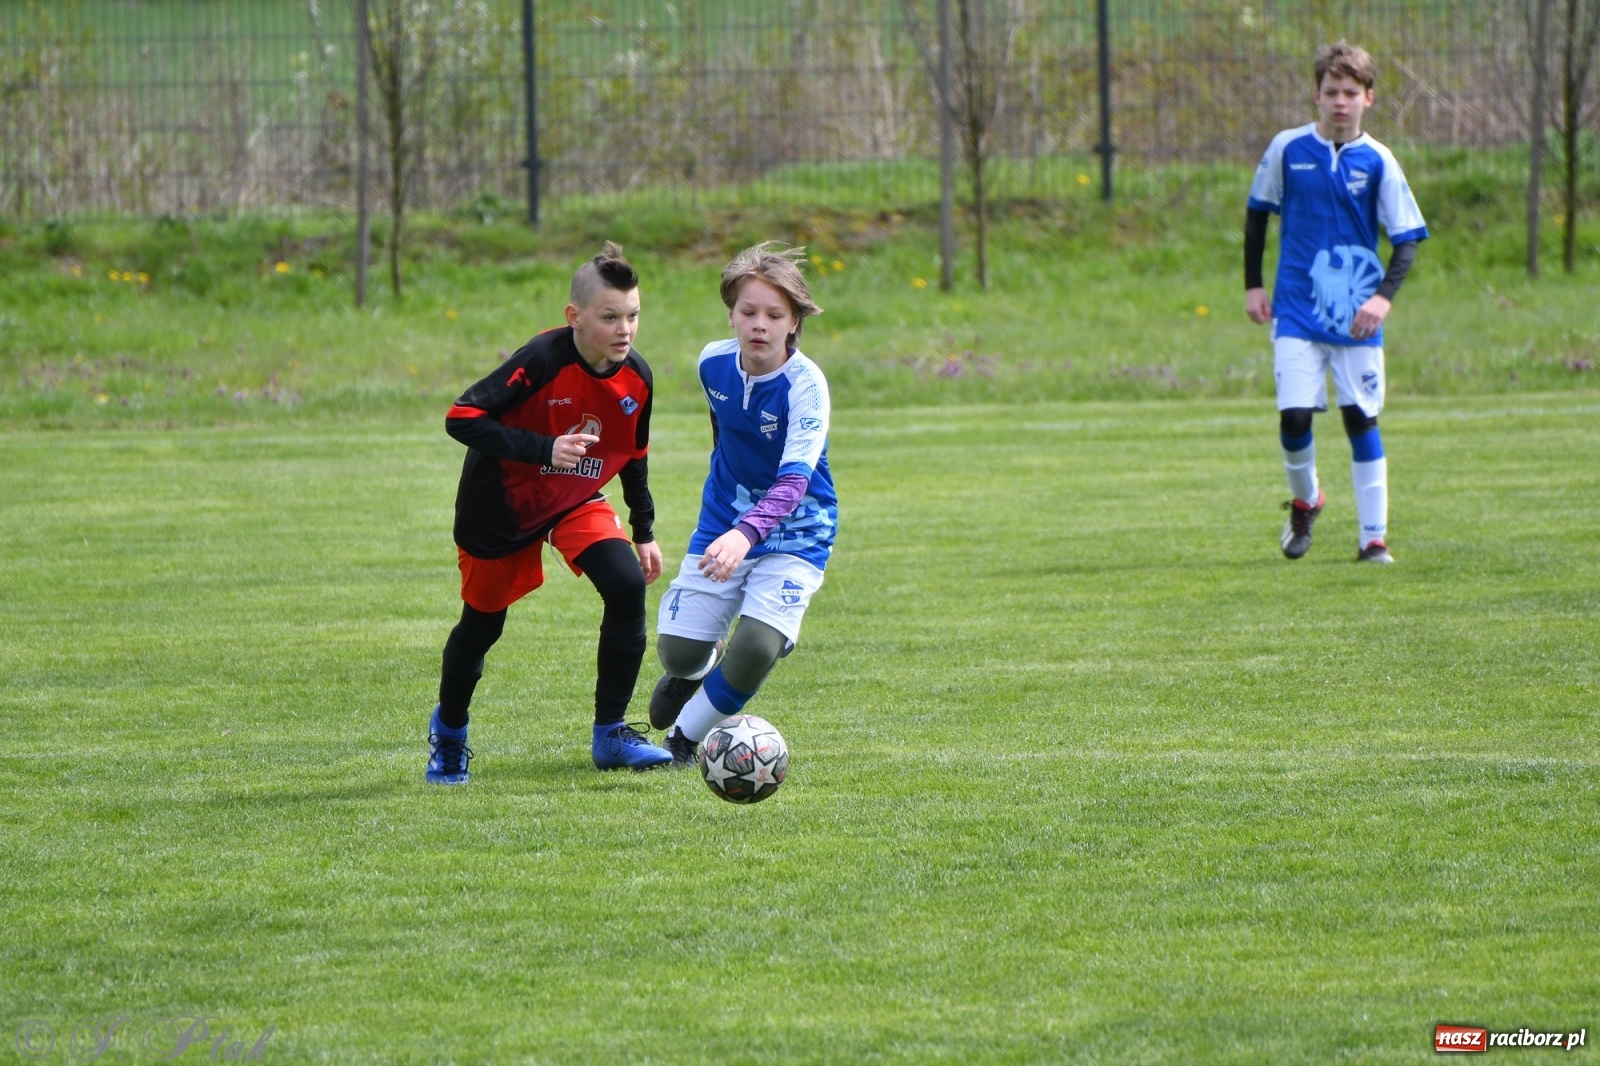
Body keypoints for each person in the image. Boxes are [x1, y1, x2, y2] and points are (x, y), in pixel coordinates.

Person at [425, 242, 672, 783]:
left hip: (573, 498)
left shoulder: (638, 378)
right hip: (502, 509)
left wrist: (644, 529)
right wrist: (543, 449)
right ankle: (449, 733)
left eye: (632, 315)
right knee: (482, 627)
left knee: (627, 584)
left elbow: (634, 452)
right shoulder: (541, 359)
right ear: (574, 317)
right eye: (610, 317)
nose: (625, 328)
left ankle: (610, 735)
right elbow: (462, 417)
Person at [646, 242, 837, 767]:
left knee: (754, 647)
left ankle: (685, 741)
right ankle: (699, 672)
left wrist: (746, 533)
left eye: (775, 315)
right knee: (677, 653)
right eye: (749, 312)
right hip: (724, 522)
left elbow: (794, 481)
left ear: (794, 323)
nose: (760, 324)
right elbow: (724, 432)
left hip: (798, 529)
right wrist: (728, 518)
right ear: (731, 314)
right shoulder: (712, 364)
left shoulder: (807, 386)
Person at [1244, 41, 1428, 563]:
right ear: (1316, 95)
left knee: (1359, 420)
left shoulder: (1380, 160)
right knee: (1294, 418)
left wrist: (1383, 300)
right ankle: (1307, 500)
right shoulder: (1287, 148)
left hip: (1356, 318)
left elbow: (1407, 238)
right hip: (1297, 309)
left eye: (1351, 92)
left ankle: (1373, 540)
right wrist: (1253, 284)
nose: (1340, 101)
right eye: (1331, 92)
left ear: (1369, 98)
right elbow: (1258, 213)